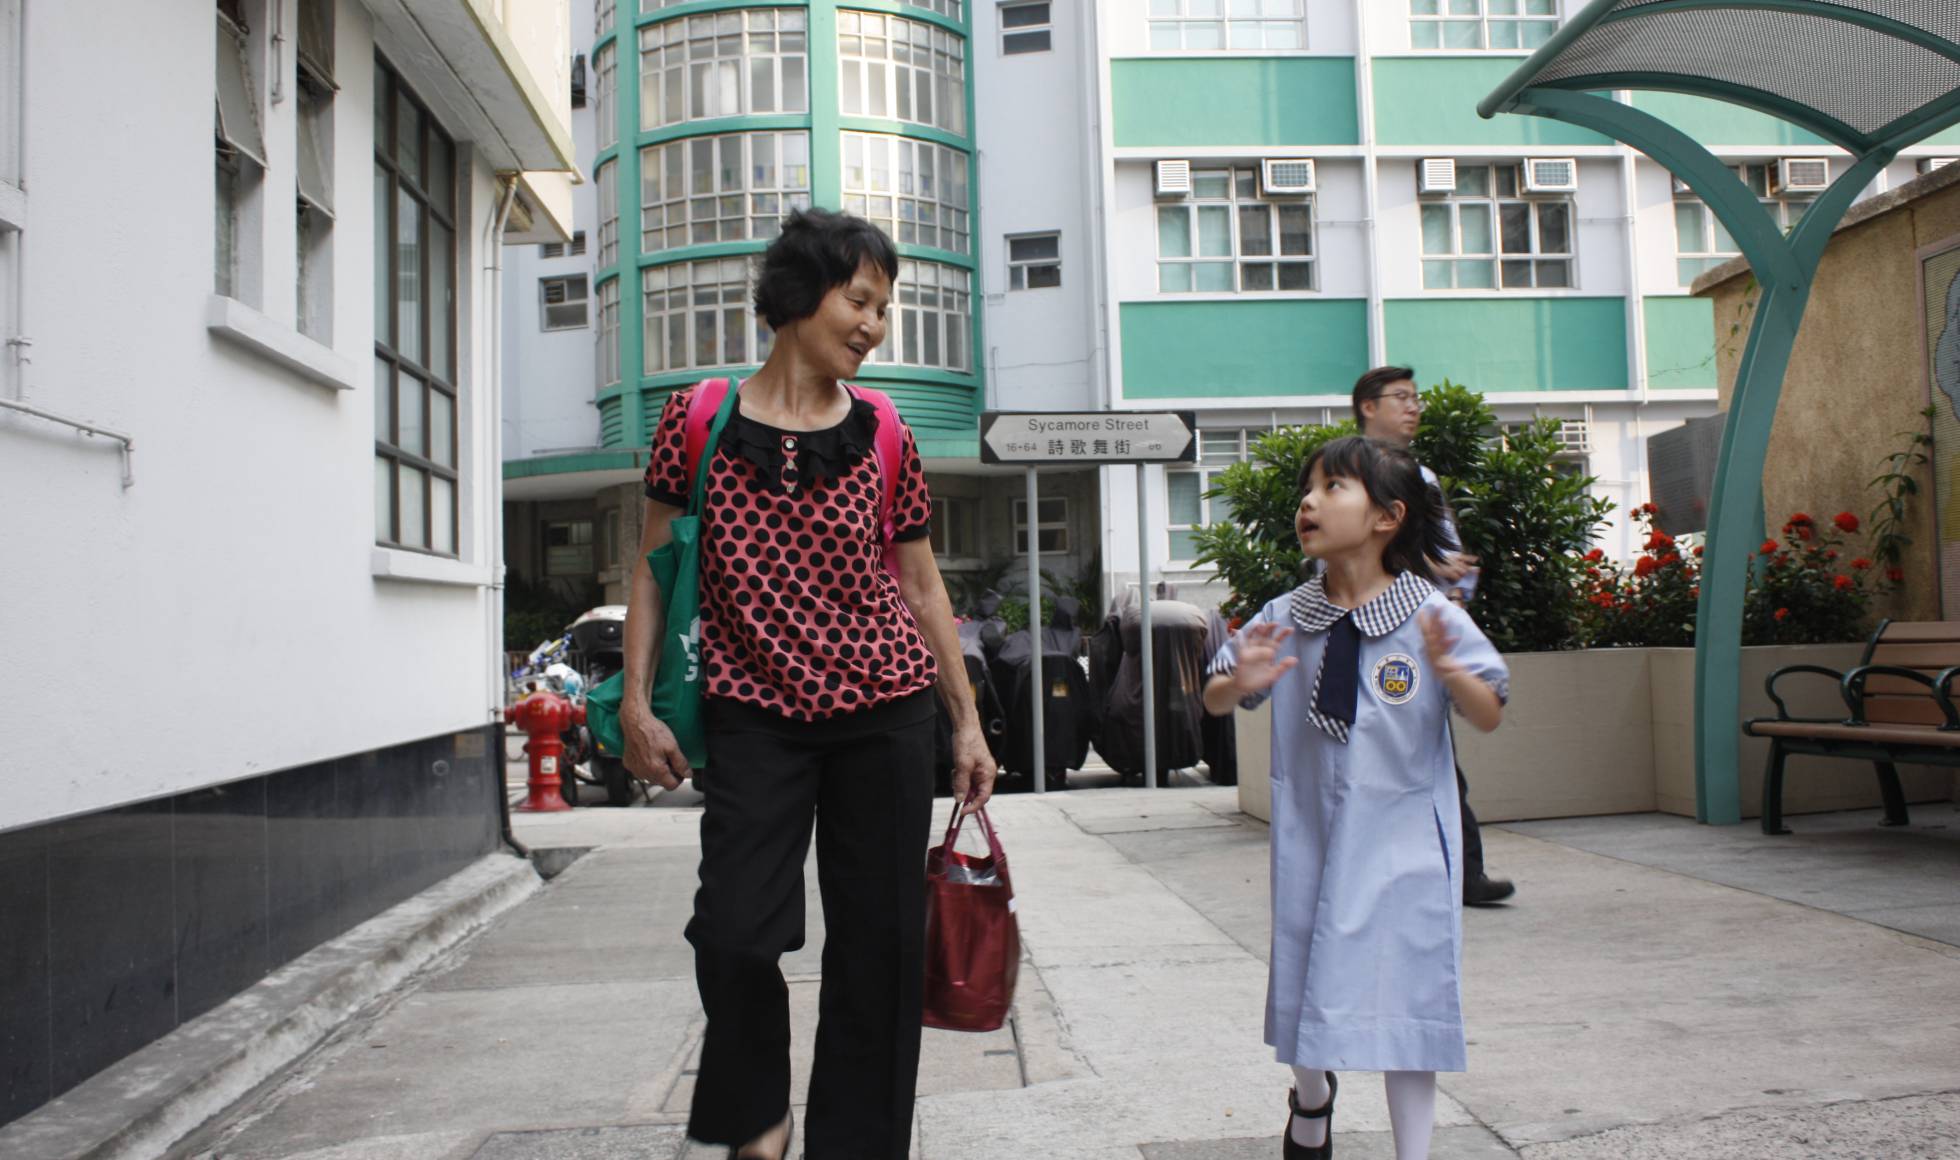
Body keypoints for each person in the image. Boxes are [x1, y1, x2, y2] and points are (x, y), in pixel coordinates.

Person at [620, 209, 996, 1160]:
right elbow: (654, 569)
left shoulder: (884, 431)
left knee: (878, 951)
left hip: (884, 715)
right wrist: (633, 702)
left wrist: (965, 723)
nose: (874, 325)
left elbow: (921, 585)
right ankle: (757, 1118)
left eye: (884, 308)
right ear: (797, 296)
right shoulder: (698, 419)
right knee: (734, 933)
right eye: (859, 300)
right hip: (753, 717)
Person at [1203, 435, 1509, 1160]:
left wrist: (1454, 676)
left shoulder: (1430, 616)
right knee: (1304, 983)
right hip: (1310, 835)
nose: (1309, 502)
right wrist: (1237, 683)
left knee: (1412, 1005)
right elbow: (1215, 696)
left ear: (1387, 517)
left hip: (1404, 842)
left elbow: (1490, 710)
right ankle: (1312, 1096)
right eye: (1308, 490)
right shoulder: (1285, 614)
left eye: (1333, 487)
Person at [1352, 366, 1516, 907]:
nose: (1413, 407)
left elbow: (1448, 551)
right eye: (1401, 397)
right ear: (1368, 406)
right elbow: (1349, 551)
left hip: (1419, 635)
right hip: (1364, 633)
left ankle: (1464, 871)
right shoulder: (1346, 473)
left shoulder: (1420, 477)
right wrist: (1428, 566)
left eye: (1415, 398)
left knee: (1432, 751)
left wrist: (1455, 595)